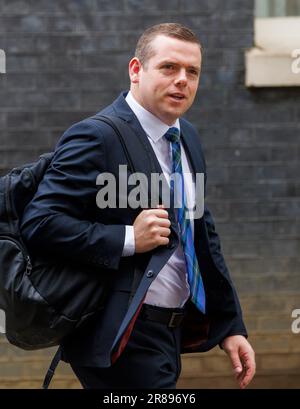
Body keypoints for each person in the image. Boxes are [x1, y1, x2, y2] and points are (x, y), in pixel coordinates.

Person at [20, 23, 255, 389]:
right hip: (123, 335)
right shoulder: (96, 136)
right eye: (168, 67)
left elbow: (201, 234)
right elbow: (40, 223)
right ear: (136, 70)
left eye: (192, 72)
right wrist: (129, 238)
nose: (182, 80)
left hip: (172, 335)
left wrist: (230, 327)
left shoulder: (186, 136)